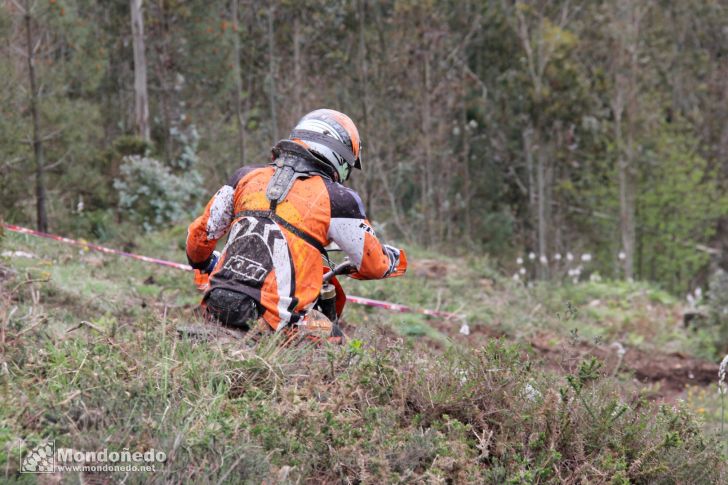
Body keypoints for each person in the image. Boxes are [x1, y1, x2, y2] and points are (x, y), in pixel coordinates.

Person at [186, 109, 407, 335]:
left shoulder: (244, 177)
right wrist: (394, 259)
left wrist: (204, 263)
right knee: (334, 337)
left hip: (215, 305)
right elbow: (373, 265)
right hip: (272, 319)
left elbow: (198, 237)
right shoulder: (338, 199)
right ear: (340, 156)